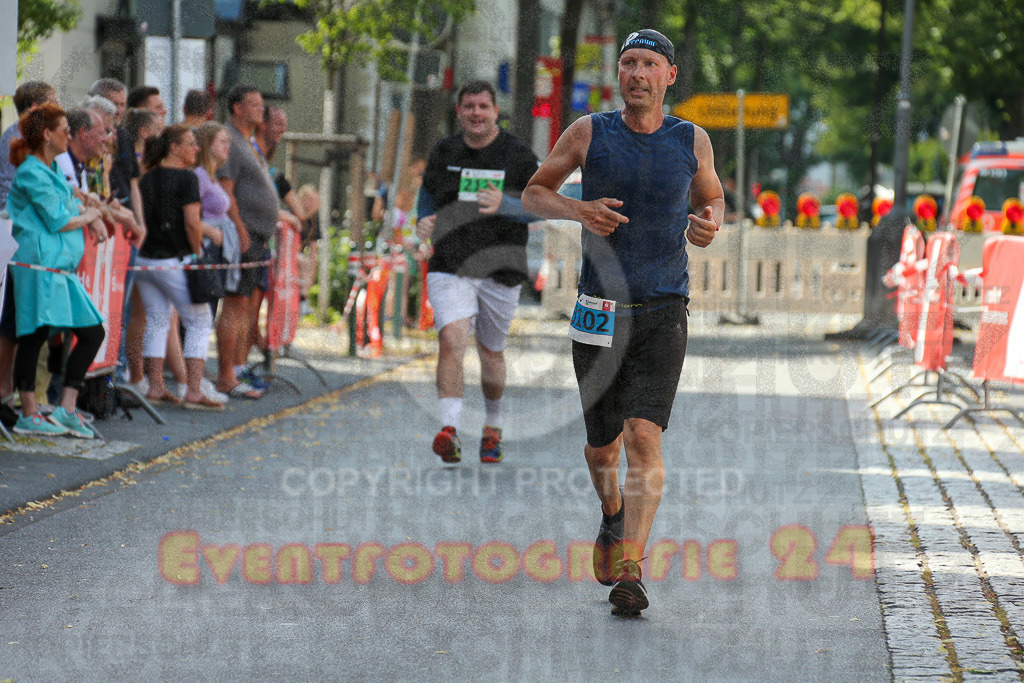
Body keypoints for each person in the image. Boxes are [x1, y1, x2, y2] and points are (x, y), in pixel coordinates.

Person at [521, 29, 724, 617]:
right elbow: (534, 194)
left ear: (669, 76)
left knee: (642, 436)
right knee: (601, 451)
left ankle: (631, 567)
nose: (637, 73)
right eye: (629, 63)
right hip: (599, 311)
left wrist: (709, 222)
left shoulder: (692, 139)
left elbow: (711, 198)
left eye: (649, 64)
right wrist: (578, 209)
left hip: (664, 309)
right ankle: (612, 514)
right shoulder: (589, 133)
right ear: (619, 73)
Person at [414, 80, 541, 464]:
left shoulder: (518, 155)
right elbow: (427, 194)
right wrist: (424, 219)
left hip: (501, 267)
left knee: (491, 352)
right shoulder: (445, 151)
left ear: (495, 111)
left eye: (483, 106)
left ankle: (492, 426)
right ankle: (449, 429)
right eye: (469, 106)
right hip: (450, 264)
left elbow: (540, 206)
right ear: (459, 112)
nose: (476, 113)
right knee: (451, 339)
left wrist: (507, 205)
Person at [6, 103, 109, 438]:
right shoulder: (31, 172)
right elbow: (58, 220)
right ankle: (29, 413)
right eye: (65, 129)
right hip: (38, 265)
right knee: (34, 336)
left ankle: (66, 409)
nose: (70, 135)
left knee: (93, 332)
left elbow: (69, 204)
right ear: (47, 135)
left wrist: (90, 212)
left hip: (59, 269)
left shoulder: (49, 170)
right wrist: (90, 217)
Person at [136, 125, 225, 410]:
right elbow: (192, 222)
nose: (196, 148)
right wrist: (197, 255)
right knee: (199, 321)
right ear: (174, 148)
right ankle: (194, 390)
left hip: (145, 259)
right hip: (173, 259)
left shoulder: (148, 177)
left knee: (157, 319)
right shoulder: (187, 179)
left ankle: (155, 385)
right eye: (190, 143)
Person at [215, 84, 279, 398]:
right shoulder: (230, 140)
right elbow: (226, 189)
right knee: (235, 303)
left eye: (261, 103)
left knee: (244, 306)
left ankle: (237, 370)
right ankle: (226, 375)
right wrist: (240, 228)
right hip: (243, 235)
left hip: (256, 236)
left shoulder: (248, 142)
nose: (260, 109)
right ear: (237, 107)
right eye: (253, 104)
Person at [0, 81, 58, 422]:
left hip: (24, 235)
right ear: (37, 107)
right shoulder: (18, 139)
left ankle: (12, 393)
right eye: (53, 102)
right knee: (13, 321)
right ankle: (7, 393)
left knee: (20, 321)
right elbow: (22, 190)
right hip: (15, 236)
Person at [194, 121, 257, 399]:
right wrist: (210, 232)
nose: (227, 147)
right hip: (206, 251)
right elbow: (189, 214)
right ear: (207, 145)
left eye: (229, 142)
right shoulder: (199, 176)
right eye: (222, 141)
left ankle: (196, 378)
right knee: (201, 316)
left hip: (219, 251)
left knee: (206, 316)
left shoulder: (211, 176)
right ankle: (194, 381)